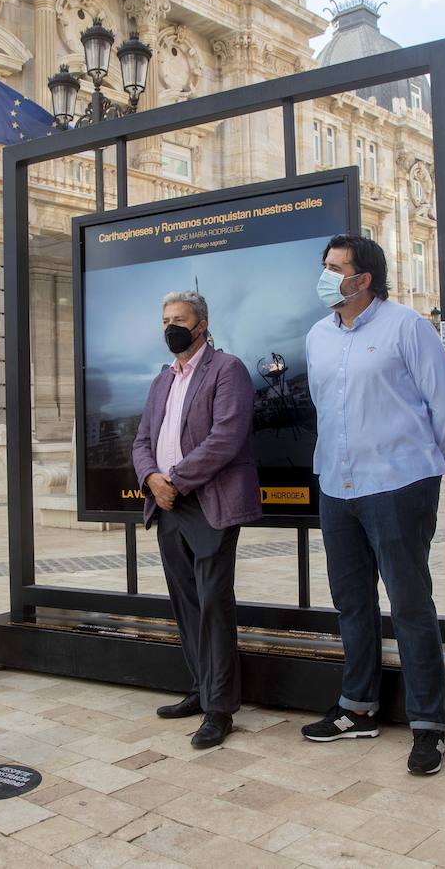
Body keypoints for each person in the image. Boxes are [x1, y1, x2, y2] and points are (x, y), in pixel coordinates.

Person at [300, 234, 445, 776]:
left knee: (410, 606)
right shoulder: (318, 336)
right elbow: (326, 410)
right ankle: (358, 707)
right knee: (351, 603)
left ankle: (428, 725)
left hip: (398, 486)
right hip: (337, 488)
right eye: (324, 267)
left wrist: (420, 469)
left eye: (334, 268)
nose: (325, 276)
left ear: (363, 278)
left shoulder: (408, 327)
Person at [132, 291, 260, 749]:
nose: (171, 327)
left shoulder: (228, 370)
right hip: (167, 504)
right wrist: (151, 477)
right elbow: (143, 437)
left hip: (208, 502)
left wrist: (175, 480)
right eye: (165, 319)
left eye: (179, 319)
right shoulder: (162, 379)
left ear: (201, 324)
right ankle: (202, 689)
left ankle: (220, 708)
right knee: (186, 604)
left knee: (212, 603)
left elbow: (226, 437)